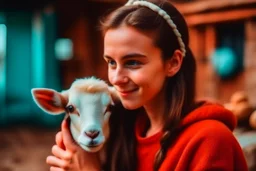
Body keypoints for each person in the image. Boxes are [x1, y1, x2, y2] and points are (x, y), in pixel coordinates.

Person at [46, 0, 248, 170]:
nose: (116, 78)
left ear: (173, 63)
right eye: (111, 62)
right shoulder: (120, 133)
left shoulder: (210, 141)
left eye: (133, 62)